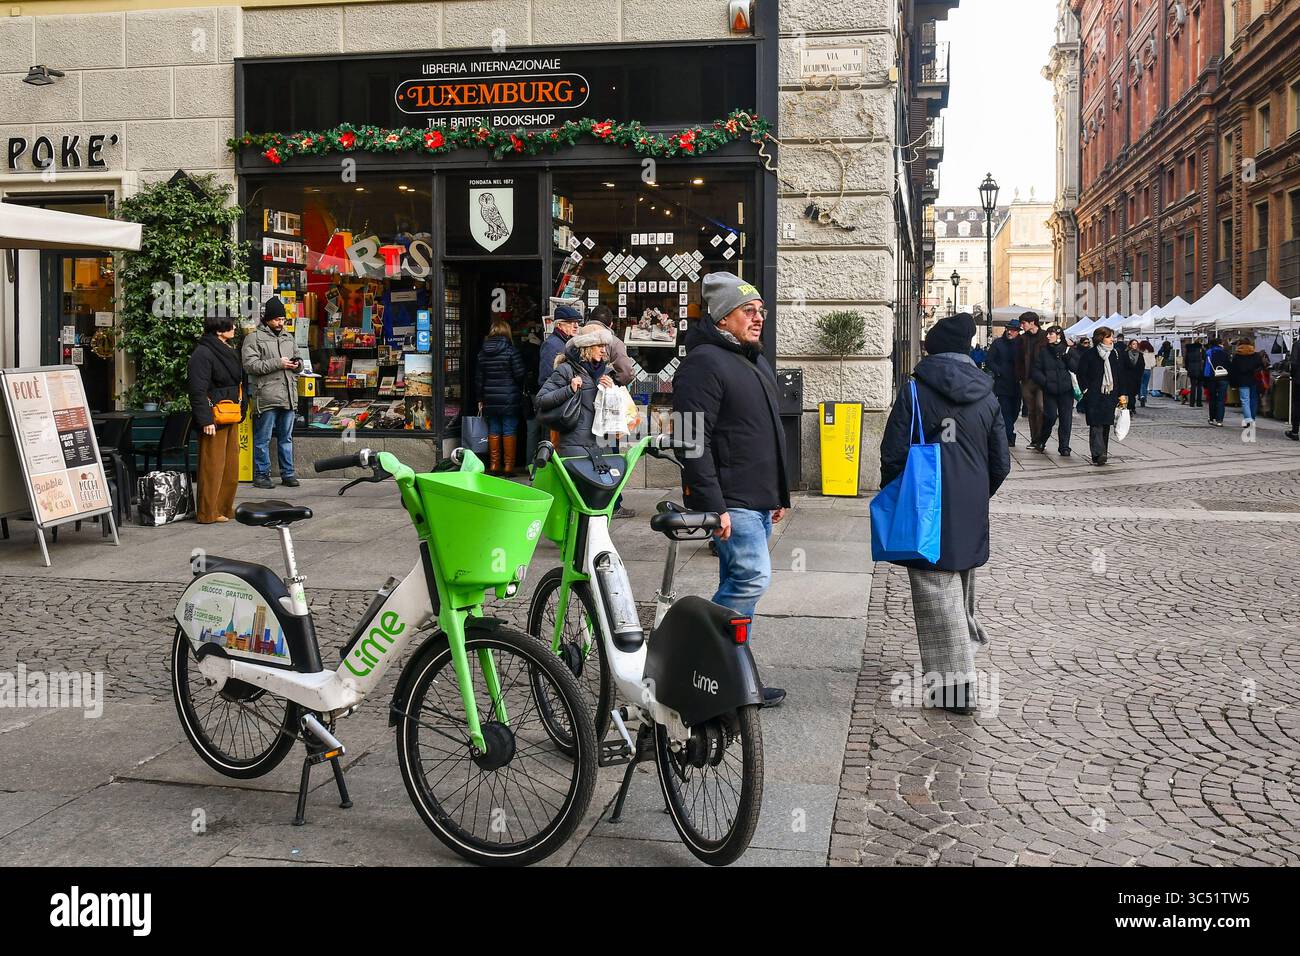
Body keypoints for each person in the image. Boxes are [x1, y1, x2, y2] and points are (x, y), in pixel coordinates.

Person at [879, 313, 1010, 715]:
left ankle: (956, 689)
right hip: (970, 506)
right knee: (960, 587)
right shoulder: (986, 394)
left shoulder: (915, 390)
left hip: (924, 506)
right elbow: (1000, 461)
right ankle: (964, 653)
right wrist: (974, 493)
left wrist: (898, 493)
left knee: (937, 593)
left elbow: (893, 452)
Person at [673, 273, 790, 709]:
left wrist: (777, 493)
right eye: (748, 311)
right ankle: (695, 659)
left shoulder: (753, 359)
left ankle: (729, 679)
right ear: (723, 317)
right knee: (751, 577)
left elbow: (765, 433)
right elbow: (690, 438)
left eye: (761, 311)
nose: (758, 318)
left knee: (738, 581)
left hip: (757, 497)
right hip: (730, 498)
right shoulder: (704, 362)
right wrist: (711, 503)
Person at [187, 317, 246, 523]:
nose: (235, 328)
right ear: (219, 330)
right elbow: (197, 390)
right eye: (231, 324)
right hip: (214, 415)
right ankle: (208, 512)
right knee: (212, 466)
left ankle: (223, 507)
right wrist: (205, 420)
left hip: (229, 411)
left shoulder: (227, 349)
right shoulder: (203, 353)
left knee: (230, 466)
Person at [242, 295, 300, 489]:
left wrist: (297, 365)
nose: (280, 323)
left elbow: (298, 359)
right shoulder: (254, 338)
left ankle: (288, 474)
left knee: (286, 438)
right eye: (277, 319)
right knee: (263, 439)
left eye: (283, 320)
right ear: (267, 319)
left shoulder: (288, 336)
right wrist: (278, 363)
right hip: (266, 396)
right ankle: (261, 475)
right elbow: (250, 365)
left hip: (288, 395)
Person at [474, 318, 527, 475]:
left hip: (490, 398)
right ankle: (509, 466)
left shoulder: (482, 353)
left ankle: (494, 465)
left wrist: (480, 398)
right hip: (509, 398)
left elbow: (479, 379)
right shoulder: (511, 351)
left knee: (494, 430)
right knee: (509, 429)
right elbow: (520, 374)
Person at [1076, 326, 1124, 465]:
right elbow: (1081, 373)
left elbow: (1119, 375)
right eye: (1109, 337)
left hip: (1110, 394)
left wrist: (1122, 394)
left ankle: (1102, 452)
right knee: (1096, 424)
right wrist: (1085, 390)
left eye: (1112, 336)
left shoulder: (1115, 354)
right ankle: (1098, 453)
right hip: (1094, 394)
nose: (1112, 339)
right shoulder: (1089, 354)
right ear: (1100, 338)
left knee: (1106, 424)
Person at [1031, 324, 1074, 456]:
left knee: (1066, 419)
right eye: (1048, 334)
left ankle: (1064, 446)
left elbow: (1076, 367)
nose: (1048, 336)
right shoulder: (1043, 351)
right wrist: (1045, 382)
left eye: (1051, 334)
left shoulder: (1068, 350)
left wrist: (1067, 357)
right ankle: (1042, 440)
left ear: (1059, 336)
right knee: (1050, 416)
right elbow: (1036, 370)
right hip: (1050, 390)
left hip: (1066, 390)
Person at [986, 319, 1022, 446]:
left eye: (1012, 330)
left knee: (1015, 410)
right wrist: (998, 371)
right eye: (1008, 329)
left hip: (1017, 383)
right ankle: (1009, 436)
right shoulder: (998, 343)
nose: (1009, 332)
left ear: (1018, 331)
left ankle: (1009, 431)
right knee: (1005, 410)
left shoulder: (1021, 344)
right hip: (1002, 383)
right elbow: (989, 360)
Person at [1014, 312, 1047, 448]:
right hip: (1027, 379)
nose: (1022, 326)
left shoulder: (1045, 336)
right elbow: (1017, 359)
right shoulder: (1022, 339)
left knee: (1040, 407)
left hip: (1041, 379)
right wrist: (1019, 375)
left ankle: (1041, 438)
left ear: (1032, 322)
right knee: (1031, 410)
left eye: (1023, 323)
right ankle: (1035, 439)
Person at [587, 304, 634, 386]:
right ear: (611, 325)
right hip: (603, 389)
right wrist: (612, 382)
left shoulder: (576, 338)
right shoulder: (614, 342)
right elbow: (627, 374)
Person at [1228, 337, 1268, 429]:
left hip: (1242, 380)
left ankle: (1248, 419)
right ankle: (1253, 418)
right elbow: (1261, 367)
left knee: (1245, 400)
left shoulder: (1237, 356)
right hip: (1254, 380)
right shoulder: (1256, 355)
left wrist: (1233, 382)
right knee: (1253, 399)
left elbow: (1233, 370)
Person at [1204, 337, 1231, 426]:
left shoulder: (1209, 352)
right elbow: (1229, 365)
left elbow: (1207, 368)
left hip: (1212, 378)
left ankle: (1212, 418)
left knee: (1212, 398)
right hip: (1223, 377)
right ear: (1220, 344)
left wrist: (1206, 379)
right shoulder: (1225, 353)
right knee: (1221, 399)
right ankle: (1220, 420)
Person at [1119, 338, 1145, 416]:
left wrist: (1139, 375)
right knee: (1128, 393)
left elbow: (1142, 365)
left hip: (1136, 377)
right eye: (1133, 344)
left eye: (1136, 344)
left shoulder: (1140, 355)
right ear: (1130, 345)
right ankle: (1130, 407)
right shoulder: (1125, 354)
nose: (1135, 345)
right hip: (1127, 377)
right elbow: (1122, 365)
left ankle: (1132, 406)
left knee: (1133, 393)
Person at [1183, 337, 1206, 409]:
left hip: (1191, 369)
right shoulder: (1201, 350)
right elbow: (1205, 359)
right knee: (1199, 387)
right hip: (1200, 369)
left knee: (1193, 386)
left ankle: (1192, 402)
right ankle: (1199, 402)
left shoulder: (1189, 351)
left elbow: (1186, 361)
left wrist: (1188, 368)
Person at [1286, 342, 1300, 441]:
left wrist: (1292, 375)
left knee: (1297, 405)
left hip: (1299, 380)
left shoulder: (1297, 344)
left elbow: (1294, 363)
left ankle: (1295, 431)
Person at [1138, 340, 1156, 406]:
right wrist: (1150, 366)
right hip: (1148, 369)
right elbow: (1154, 363)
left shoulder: (1140, 352)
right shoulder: (1151, 352)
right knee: (1145, 384)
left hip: (1140, 370)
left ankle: (1141, 396)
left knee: (1140, 384)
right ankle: (1144, 396)